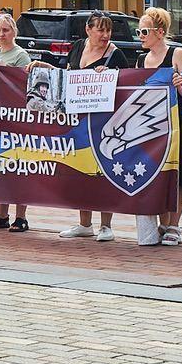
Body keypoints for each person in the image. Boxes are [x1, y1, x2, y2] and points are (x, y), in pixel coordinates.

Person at [60, 14, 131, 242]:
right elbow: (65, 73)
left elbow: (128, 85)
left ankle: (106, 225)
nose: (105, 35)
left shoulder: (115, 54)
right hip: (77, 120)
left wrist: (110, 76)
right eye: (100, 30)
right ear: (88, 30)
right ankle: (84, 223)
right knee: (80, 172)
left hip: (103, 123)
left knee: (102, 172)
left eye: (108, 30)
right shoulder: (78, 47)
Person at [0, 12, 45, 234]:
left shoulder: (20, 55)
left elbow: (25, 84)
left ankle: (21, 217)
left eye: (6, 30)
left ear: (14, 32)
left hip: (17, 120)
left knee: (19, 167)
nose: (2, 34)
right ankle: (2, 214)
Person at [137, 6, 182, 247]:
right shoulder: (141, 59)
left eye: (143, 31)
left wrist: (180, 85)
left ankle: (174, 224)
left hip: (176, 122)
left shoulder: (176, 54)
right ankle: (162, 222)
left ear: (159, 32)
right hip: (151, 125)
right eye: (138, 31)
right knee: (158, 172)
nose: (139, 36)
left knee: (178, 171)